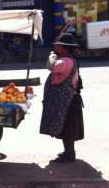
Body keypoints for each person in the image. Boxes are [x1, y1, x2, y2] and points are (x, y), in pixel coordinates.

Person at [40, 33, 84, 163]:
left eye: (57, 46)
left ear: (64, 48)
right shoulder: (68, 59)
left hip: (66, 101)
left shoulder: (65, 61)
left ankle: (69, 155)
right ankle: (68, 152)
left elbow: (50, 65)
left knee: (67, 129)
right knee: (65, 128)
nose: (55, 47)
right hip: (65, 101)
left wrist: (52, 55)